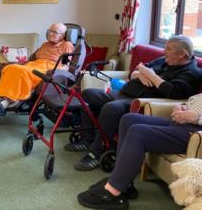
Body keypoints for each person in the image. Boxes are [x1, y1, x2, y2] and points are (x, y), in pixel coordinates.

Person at [67, 36, 201, 171]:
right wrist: (141, 74)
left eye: (168, 49)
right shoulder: (165, 61)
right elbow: (139, 69)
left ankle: (97, 152)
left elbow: (173, 92)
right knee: (88, 93)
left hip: (141, 100)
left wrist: (151, 76)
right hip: (125, 92)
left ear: (182, 53)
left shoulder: (192, 73)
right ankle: (87, 138)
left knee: (111, 108)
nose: (164, 52)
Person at [77, 93, 202, 209]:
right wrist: (182, 107)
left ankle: (113, 192)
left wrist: (196, 118)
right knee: (129, 119)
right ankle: (124, 182)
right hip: (181, 123)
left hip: (194, 132)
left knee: (138, 132)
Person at [0, 22, 74, 116]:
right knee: (10, 67)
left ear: (63, 35)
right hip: (35, 64)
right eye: (50, 31)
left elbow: (67, 66)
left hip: (49, 69)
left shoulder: (67, 45)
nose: (51, 34)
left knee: (23, 71)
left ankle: (3, 103)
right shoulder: (44, 45)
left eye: (55, 32)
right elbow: (33, 59)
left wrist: (54, 73)